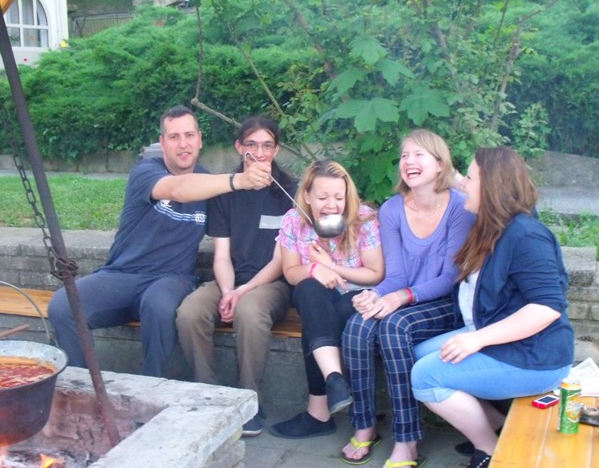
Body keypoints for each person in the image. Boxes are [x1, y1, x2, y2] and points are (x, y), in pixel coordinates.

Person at [48, 106, 272, 377]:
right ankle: (81, 385)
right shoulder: (146, 171)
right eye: (174, 137)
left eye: (189, 135)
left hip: (172, 278)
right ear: (162, 142)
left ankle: (151, 386)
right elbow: (178, 189)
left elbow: (234, 228)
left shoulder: (209, 183)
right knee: (63, 305)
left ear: (200, 139)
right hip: (122, 274)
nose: (183, 144)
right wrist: (239, 179)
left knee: (159, 306)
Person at [408, 146, 574, 468]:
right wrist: (440, 167)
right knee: (419, 353)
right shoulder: (497, 225)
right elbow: (458, 181)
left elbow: (547, 307)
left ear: (492, 186)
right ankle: (496, 422)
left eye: (470, 178)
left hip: (535, 356)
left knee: (426, 376)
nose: (463, 185)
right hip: (507, 341)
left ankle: (490, 451)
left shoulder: (526, 236)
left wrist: (477, 339)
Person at [341, 129, 476, 468]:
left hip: (447, 303)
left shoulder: (460, 207)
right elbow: (396, 275)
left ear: (440, 164)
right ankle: (364, 424)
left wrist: (398, 298)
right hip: (405, 297)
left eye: (419, 155)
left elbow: (449, 278)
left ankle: (407, 438)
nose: (409, 162)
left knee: (394, 327)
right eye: (404, 156)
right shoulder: (392, 209)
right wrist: (373, 296)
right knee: (358, 324)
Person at [177, 116, 296, 437]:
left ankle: (249, 399)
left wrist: (241, 293)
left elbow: (280, 261)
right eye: (252, 145)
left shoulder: (288, 192)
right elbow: (221, 255)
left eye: (267, 145)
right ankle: (209, 395)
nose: (260, 152)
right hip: (230, 278)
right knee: (190, 311)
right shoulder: (225, 191)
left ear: (276, 149)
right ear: (239, 147)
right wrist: (229, 290)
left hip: (271, 283)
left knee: (249, 310)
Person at [269, 160, 384, 439]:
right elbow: (291, 272)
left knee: (316, 319)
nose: (332, 205)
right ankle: (334, 378)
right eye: (322, 197)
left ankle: (320, 410)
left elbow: (375, 273)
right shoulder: (294, 221)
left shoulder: (363, 219)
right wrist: (313, 269)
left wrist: (332, 267)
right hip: (318, 297)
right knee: (308, 290)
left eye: (338, 197)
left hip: (359, 295)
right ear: (307, 196)